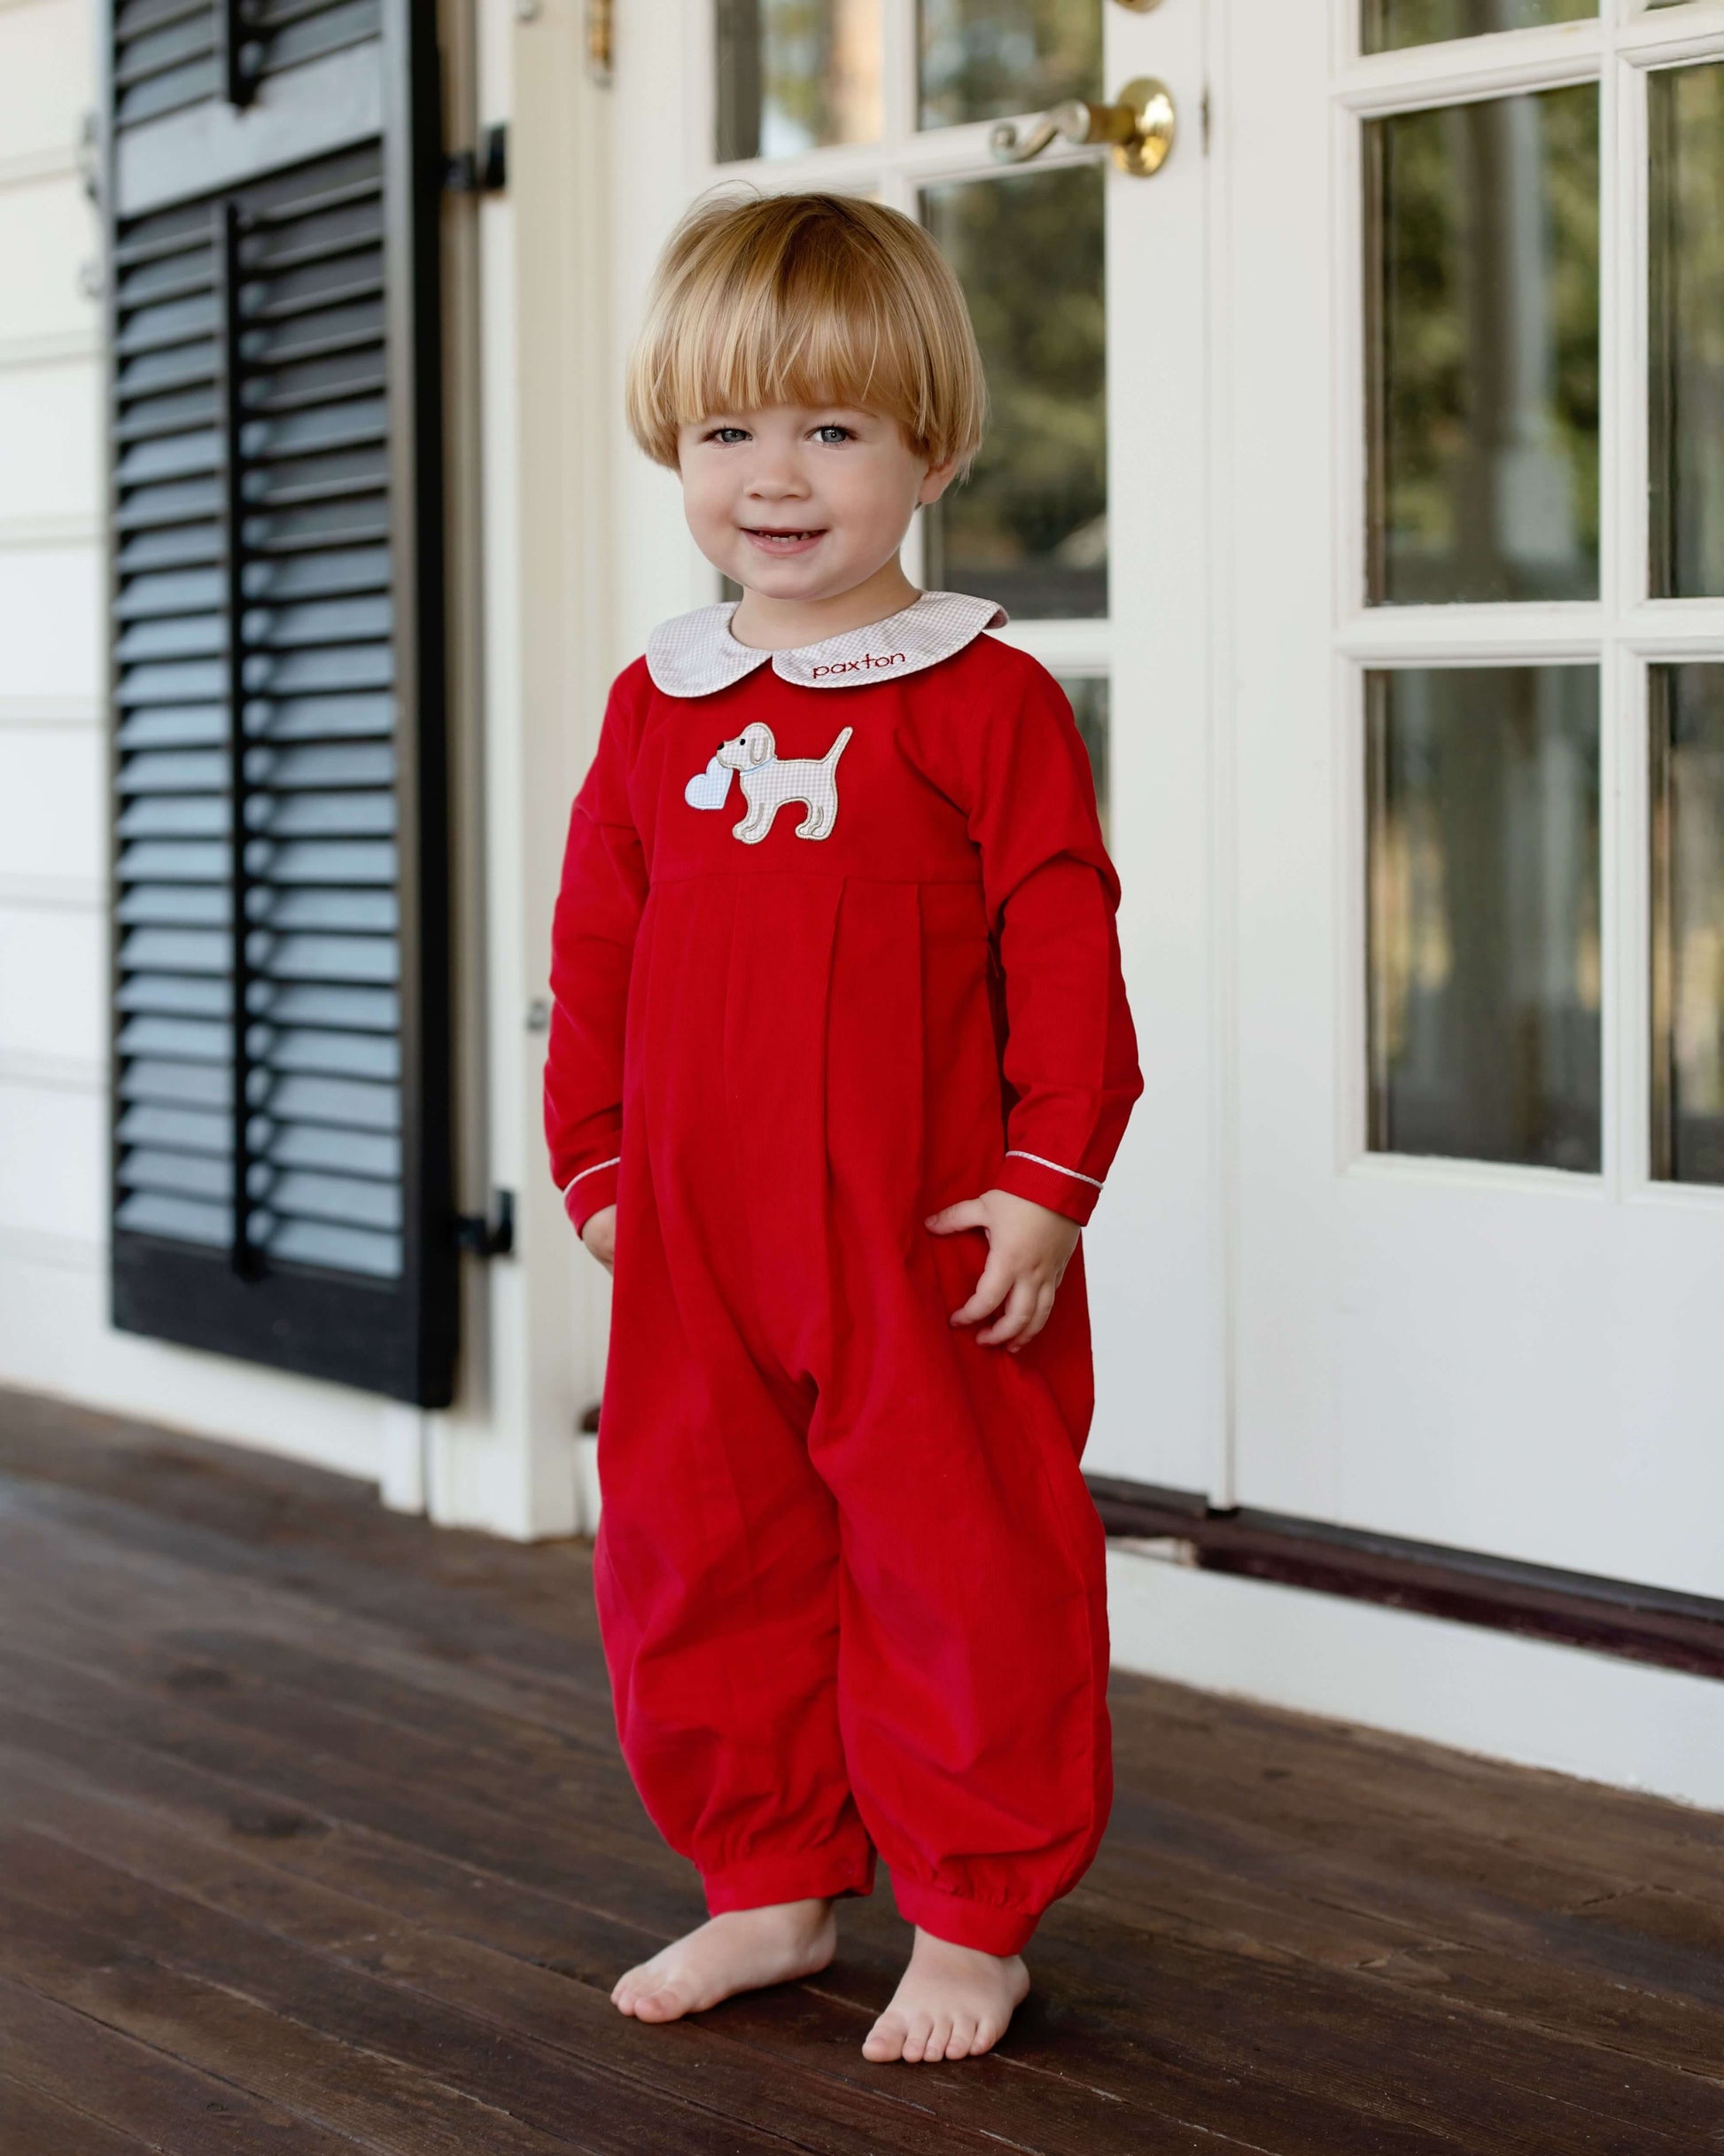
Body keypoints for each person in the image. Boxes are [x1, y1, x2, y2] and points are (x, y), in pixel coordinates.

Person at [544, 190, 1143, 2066]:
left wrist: (1047, 1185)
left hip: (922, 1234)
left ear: (930, 446)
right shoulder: (659, 706)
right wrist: (598, 1160)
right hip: (698, 1237)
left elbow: (1065, 955)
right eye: (728, 430)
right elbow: (597, 947)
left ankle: (970, 1907)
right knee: (697, 1544)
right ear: (676, 448)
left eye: (831, 428)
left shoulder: (983, 701)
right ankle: (769, 1878)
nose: (774, 477)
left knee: (957, 1557)